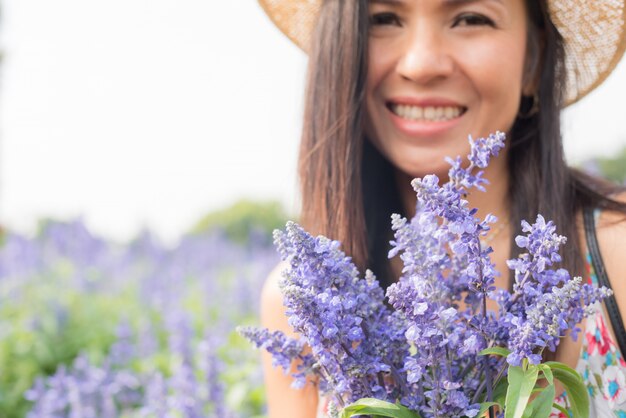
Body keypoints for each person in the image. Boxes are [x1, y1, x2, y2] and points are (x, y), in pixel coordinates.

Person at [257, 0, 626, 416]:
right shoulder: (305, 300)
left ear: (532, 62)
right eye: (383, 19)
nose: (421, 64)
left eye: (470, 18)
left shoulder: (617, 251)